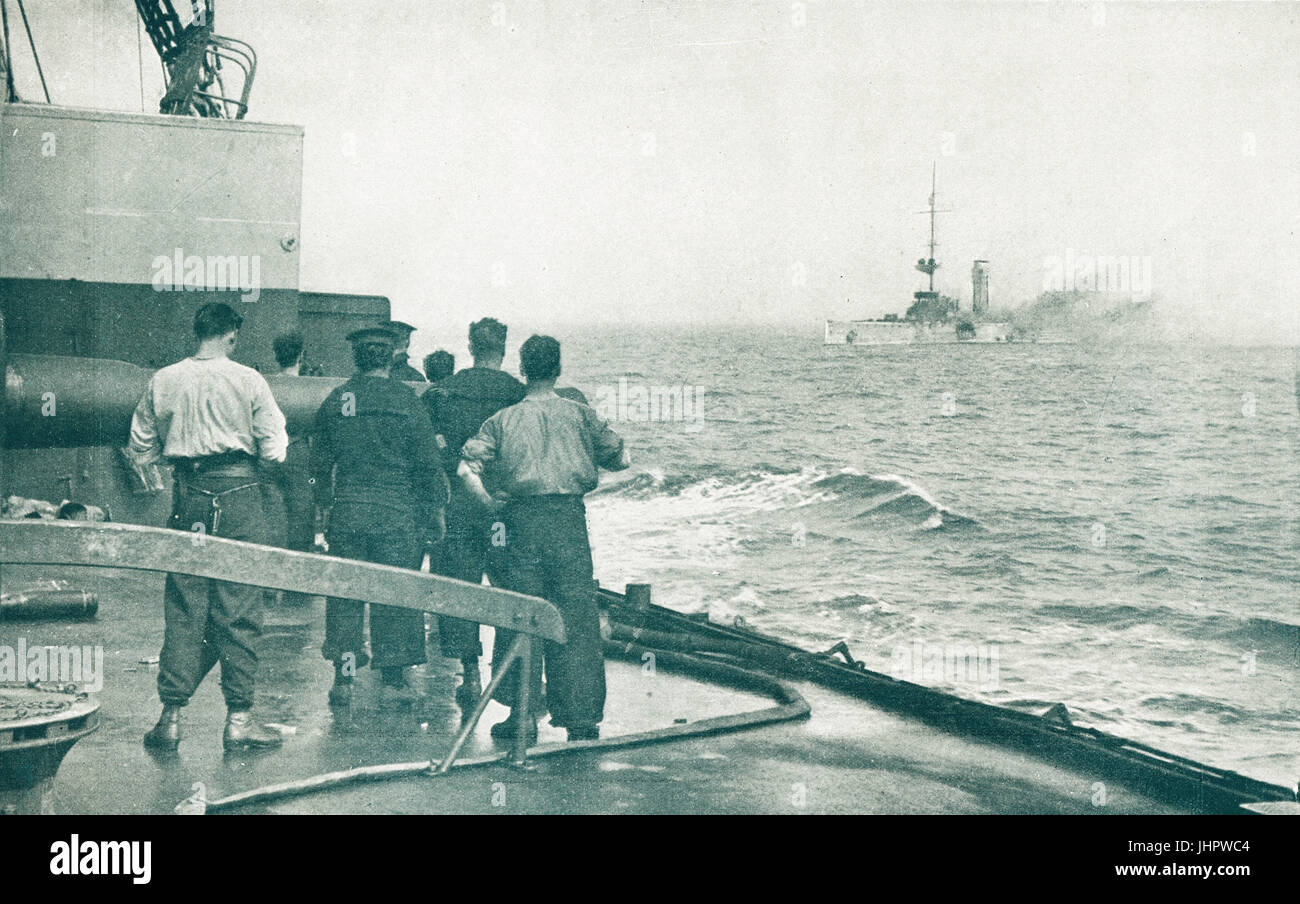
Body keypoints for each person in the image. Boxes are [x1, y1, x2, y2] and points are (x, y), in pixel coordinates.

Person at [129, 302, 289, 752]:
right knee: (239, 609)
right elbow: (275, 451)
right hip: (240, 499)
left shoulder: (163, 379)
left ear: (196, 332)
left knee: (183, 608)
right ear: (232, 335)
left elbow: (139, 446)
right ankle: (239, 720)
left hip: (190, 498)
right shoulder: (249, 380)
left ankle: (170, 719)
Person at [459, 334, 629, 743]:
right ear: (557, 369)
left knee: (522, 613)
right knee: (576, 618)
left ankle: (521, 715)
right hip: (568, 523)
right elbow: (622, 459)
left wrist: (490, 506)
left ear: (523, 370)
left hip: (520, 523)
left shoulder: (502, 420)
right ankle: (582, 719)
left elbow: (466, 470)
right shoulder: (581, 414)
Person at [311, 327, 449, 707]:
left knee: (347, 597)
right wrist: (435, 511)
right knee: (395, 592)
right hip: (396, 514)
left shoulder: (339, 399)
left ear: (356, 358)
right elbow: (428, 464)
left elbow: (318, 463)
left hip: (349, 511)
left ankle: (344, 680)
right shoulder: (406, 400)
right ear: (391, 357)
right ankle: (393, 681)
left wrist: (322, 507)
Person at [423, 318, 525, 713]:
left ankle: (470, 672)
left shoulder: (442, 393)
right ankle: (513, 686)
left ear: (470, 346)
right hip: (507, 510)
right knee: (510, 592)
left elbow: (428, 455)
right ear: (504, 349)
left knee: (462, 588)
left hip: (459, 505)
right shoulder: (520, 395)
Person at [269, 332, 314, 605]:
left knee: (270, 519)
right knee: (300, 519)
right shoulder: (309, 386)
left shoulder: (267, 385)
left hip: (270, 455)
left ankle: (266, 585)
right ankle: (297, 588)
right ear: (301, 355)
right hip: (298, 453)